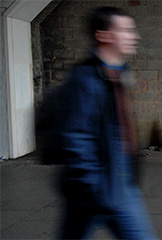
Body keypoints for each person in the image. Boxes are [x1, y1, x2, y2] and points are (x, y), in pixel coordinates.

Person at [55, 7, 156, 239]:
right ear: (104, 35)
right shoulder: (85, 78)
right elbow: (75, 136)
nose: (135, 36)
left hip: (119, 182)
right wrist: (96, 186)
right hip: (95, 187)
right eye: (125, 31)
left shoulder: (118, 73)